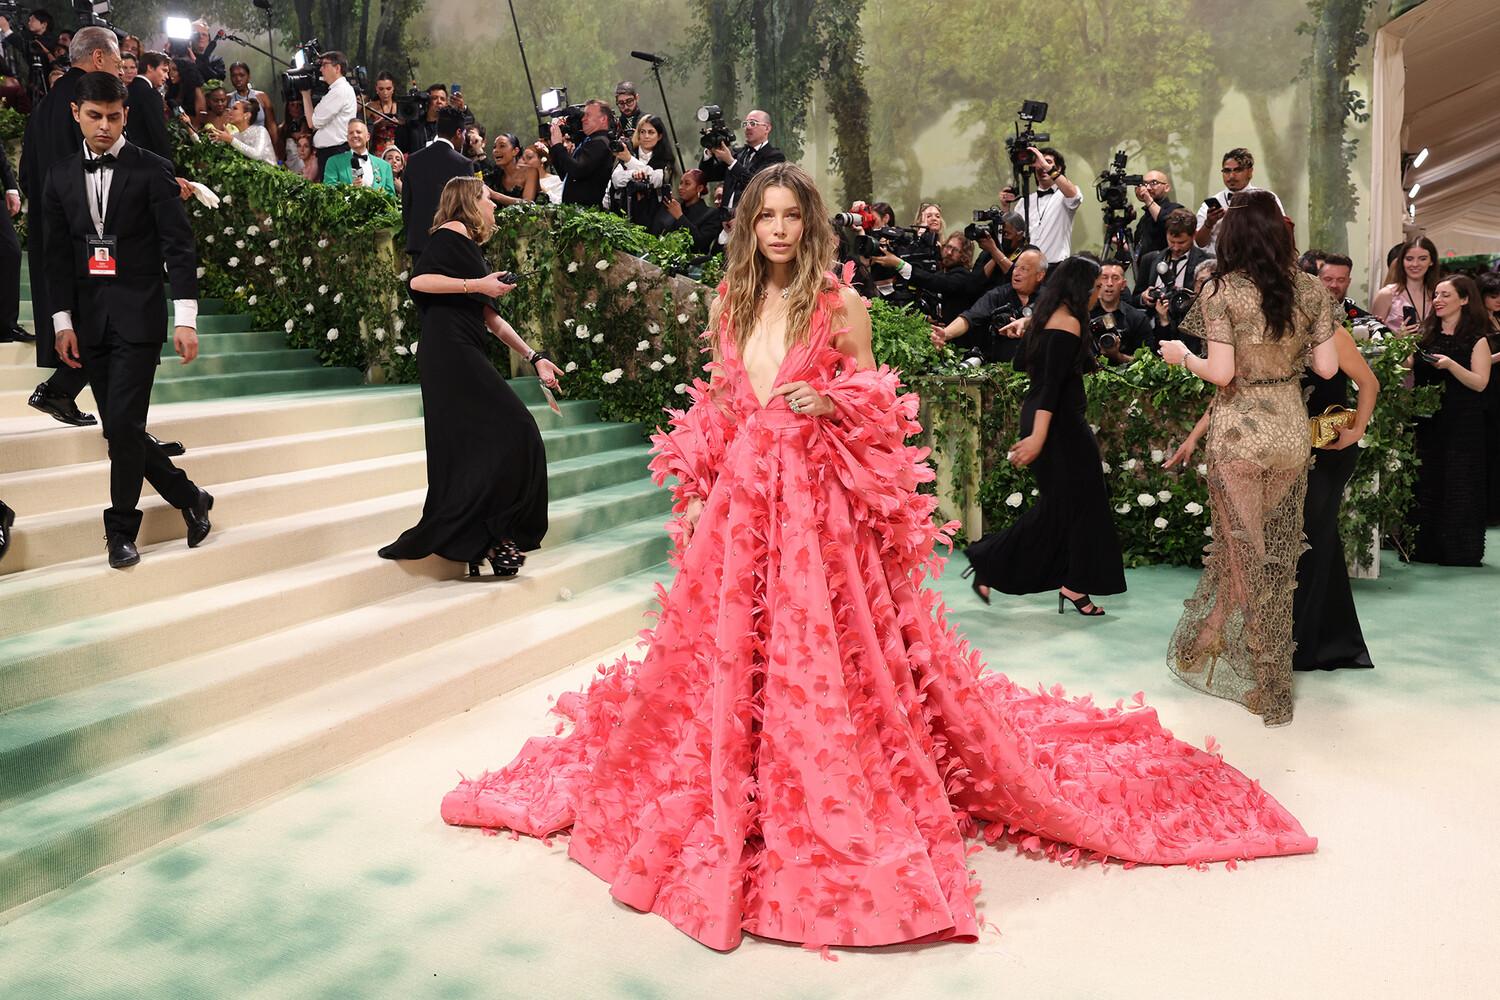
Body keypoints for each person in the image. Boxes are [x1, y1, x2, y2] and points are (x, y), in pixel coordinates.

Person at [439, 162, 1316, 953]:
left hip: (818, 508)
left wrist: (834, 400)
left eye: (791, 216)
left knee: (821, 657)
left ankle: (824, 788)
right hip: (744, 505)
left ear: (811, 225)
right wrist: (706, 481)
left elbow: (879, 405)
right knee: (724, 654)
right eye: (765, 216)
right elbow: (720, 402)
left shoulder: (841, 305)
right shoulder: (727, 304)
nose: (778, 229)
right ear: (749, 226)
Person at [1157, 190, 1340, 726]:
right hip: (1288, 431)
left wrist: (1181, 354)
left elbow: (1221, 374)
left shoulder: (1221, 291)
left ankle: (1269, 682)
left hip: (1239, 433)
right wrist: (1289, 346)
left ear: (1235, 237)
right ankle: (1212, 636)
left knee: (1251, 557)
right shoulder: (1310, 289)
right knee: (1260, 556)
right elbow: (1327, 370)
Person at [1165, 252, 1380, 672]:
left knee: (1308, 544)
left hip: (1326, 450)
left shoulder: (1330, 334)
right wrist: (1194, 437)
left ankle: (1296, 644)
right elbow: (1237, 395)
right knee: (1259, 543)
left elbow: (1369, 383)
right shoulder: (1269, 335)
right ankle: (1287, 639)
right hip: (1281, 449)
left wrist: (1356, 431)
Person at [43, 72, 214, 570]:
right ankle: (189, 496)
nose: (104, 126)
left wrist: (186, 319)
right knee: (120, 428)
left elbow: (179, 249)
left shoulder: (153, 170)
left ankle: (120, 529)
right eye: (94, 115)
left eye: (114, 117)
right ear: (76, 112)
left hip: (139, 318)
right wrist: (60, 322)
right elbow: (55, 258)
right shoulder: (57, 175)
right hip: (88, 323)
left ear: (126, 116)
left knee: (123, 425)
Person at [379, 176, 562, 577]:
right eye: (487, 199)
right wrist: (478, 283)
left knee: (476, 448)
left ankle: (489, 540)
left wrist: (535, 358)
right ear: (469, 202)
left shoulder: (468, 245)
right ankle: (492, 537)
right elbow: (418, 281)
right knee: (517, 430)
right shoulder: (453, 231)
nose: (494, 206)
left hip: (462, 347)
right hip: (449, 351)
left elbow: (489, 318)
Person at [961, 254, 1126, 615]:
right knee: (1075, 506)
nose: (1100, 293)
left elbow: (1024, 365)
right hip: (1057, 426)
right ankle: (989, 558)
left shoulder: (1051, 320)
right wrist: (1038, 436)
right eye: (1096, 286)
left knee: (1072, 507)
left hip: (1052, 422)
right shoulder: (1065, 324)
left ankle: (1073, 585)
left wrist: (1031, 327)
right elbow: (1050, 385)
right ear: (1081, 288)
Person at [1407, 275, 1492, 566]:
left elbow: (1480, 382)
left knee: (1459, 481)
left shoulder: (1476, 339)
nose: (1438, 301)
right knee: (1427, 479)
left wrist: (1451, 365)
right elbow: (1406, 365)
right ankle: (1425, 547)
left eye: (1446, 295)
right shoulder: (1425, 334)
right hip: (1428, 420)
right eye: (1436, 296)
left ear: (1464, 299)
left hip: (1462, 420)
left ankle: (1458, 550)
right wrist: (1403, 344)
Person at [930, 247, 1046, 363]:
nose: (1016, 272)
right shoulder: (998, 294)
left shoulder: (1050, 299)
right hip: (1000, 370)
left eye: (1024, 269)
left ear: (1040, 275)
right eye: (1015, 267)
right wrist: (946, 333)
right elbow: (970, 316)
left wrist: (1027, 322)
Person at [402, 107, 474, 263]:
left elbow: (406, 205)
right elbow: (468, 208)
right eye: (464, 135)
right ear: (458, 133)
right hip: (453, 244)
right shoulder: (463, 164)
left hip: (419, 245)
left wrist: (411, 239)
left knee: (422, 287)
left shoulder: (413, 160)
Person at [1195, 148, 1284, 255]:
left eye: (1238, 170)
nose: (1232, 176)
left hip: (1258, 263)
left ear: (1250, 171)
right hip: (1218, 265)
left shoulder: (1267, 199)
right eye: (1227, 171)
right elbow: (1199, 244)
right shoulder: (1210, 205)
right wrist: (1209, 223)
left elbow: (1282, 234)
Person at [697, 108, 784, 213]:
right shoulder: (736, 153)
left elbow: (758, 185)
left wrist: (731, 162)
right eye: (745, 124)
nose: (747, 128)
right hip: (726, 220)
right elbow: (708, 175)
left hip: (752, 218)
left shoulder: (775, 157)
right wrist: (709, 151)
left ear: (767, 128)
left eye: (753, 123)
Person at [606, 113, 674, 226]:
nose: (646, 136)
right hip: (623, 212)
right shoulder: (627, 151)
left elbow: (657, 179)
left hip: (653, 215)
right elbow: (616, 180)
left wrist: (629, 161)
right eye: (642, 132)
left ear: (659, 136)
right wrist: (632, 174)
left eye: (651, 132)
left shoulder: (664, 158)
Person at [1016, 146, 1081, 265]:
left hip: (1056, 267)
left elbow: (1074, 196)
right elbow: (1014, 233)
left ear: (1059, 168)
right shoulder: (1024, 201)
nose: (1042, 166)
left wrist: (1048, 168)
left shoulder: (1064, 195)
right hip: (1028, 268)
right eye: (1039, 163)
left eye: (1048, 162)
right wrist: (1005, 206)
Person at [301, 50, 356, 181]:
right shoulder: (336, 90)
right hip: (330, 152)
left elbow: (312, 123)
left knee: (334, 194)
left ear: (337, 68)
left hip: (336, 153)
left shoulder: (340, 90)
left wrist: (305, 94)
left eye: (325, 65)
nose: (321, 69)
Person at [549, 99, 615, 207]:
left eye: (588, 115)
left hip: (587, 213)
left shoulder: (600, 142)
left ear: (603, 119)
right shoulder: (589, 141)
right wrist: (554, 148)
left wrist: (558, 146)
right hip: (575, 211)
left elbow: (577, 170)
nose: (583, 119)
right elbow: (566, 174)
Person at [1371, 236, 1441, 334]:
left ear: (1431, 261)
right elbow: (1373, 338)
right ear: (1402, 261)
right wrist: (1398, 339)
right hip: (1395, 349)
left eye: (1422, 259)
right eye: (1409, 259)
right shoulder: (1386, 294)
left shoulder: (1438, 294)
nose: (1415, 264)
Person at [1091, 258, 1152, 363]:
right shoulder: (1085, 315)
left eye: (1115, 278)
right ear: (1097, 282)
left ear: (1123, 285)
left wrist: (1117, 355)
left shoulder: (1138, 319)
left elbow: (1147, 362)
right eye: (1104, 278)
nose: (1109, 283)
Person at [1476, 272, 1500, 524]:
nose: (1498, 300)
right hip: (1486, 389)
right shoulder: (1476, 323)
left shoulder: (1496, 319)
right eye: (1493, 296)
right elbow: (1475, 362)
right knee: (1488, 448)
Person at [125, 51, 174, 163]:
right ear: (150, 67)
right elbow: (159, 133)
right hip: (146, 161)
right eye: (164, 70)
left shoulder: (126, 90)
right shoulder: (151, 94)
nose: (167, 76)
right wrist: (169, 167)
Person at [323, 119, 395, 192]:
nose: (354, 135)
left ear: (367, 137)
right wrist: (350, 188)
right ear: (347, 138)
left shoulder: (385, 166)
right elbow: (328, 191)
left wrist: (383, 194)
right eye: (351, 133)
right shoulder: (334, 162)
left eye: (358, 132)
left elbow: (392, 195)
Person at [660, 168, 719, 253]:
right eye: (681, 183)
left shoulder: (711, 214)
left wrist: (680, 217)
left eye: (687, 184)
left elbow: (700, 244)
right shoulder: (675, 207)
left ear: (699, 188)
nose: (680, 187)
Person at [207, 98, 278, 166]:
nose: (229, 112)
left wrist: (231, 140)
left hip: (270, 175)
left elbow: (257, 155)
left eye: (235, 108)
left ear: (247, 115)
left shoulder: (260, 131)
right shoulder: (234, 135)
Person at [1133, 169, 1183, 261]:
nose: (1147, 188)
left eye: (1154, 183)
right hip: (1144, 270)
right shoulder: (1145, 217)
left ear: (1167, 187)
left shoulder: (1176, 209)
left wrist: (1148, 200)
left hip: (1163, 268)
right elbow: (1140, 249)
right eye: (1145, 184)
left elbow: (1166, 223)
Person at [228, 61, 279, 151]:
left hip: (261, 146)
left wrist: (277, 151)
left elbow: (272, 126)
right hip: (237, 147)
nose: (238, 79)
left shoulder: (262, 97)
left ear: (248, 77)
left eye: (241, 75)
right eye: (234, 75)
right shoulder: (227, 99)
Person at [482, 132, 538, 206]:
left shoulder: (531, 172)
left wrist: (494, 195)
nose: (496, 150)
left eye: (502, 146)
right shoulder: (493, 176)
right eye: (494, 147)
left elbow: (527, 203)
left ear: (515, 151)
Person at [395, 84, 447, 153]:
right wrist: (402, 125)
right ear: (427, 102)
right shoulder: (413, 123)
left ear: (446, 104)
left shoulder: (448, 126)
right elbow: (401, 148)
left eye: (442, 99)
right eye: (434, 98)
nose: (439, 102)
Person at [363, 70, 400, 153]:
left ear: (393, 87)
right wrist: (376, 125)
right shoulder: (370, 107)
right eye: (381, 89)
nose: (385, 92)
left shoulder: (400, 106)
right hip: (376, 149)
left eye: (388, 88)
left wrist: (398, 125)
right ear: (376, 88)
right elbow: (363, 131)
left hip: (398, 150)